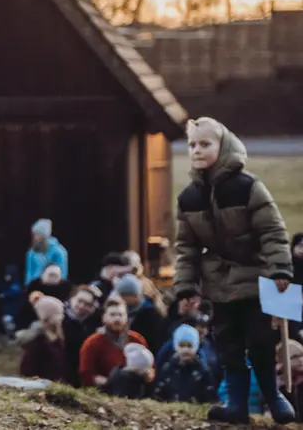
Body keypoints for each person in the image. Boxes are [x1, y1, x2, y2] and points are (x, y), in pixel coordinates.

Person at [173, 116, 296, 424]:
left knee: (259, 342)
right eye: (192, 145)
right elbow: (186, 248)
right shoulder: (189, 198)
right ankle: (236, 404)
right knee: (227, 344)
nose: (197, 150)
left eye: (205, 144)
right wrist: (186, 287)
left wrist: (280, 267)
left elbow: (272, 231)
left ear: (223, 145)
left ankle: (274, 395)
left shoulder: (247, 187)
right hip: (218, 282)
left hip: (255, 278)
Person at [78, 298, 149, 389]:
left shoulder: (137, 339)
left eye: (120, 315)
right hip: (104, 394)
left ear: (126, 317)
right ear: (104, 317)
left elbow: (150, 368)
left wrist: (147, 375)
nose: (117, 319)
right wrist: (112, 382)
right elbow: (86, 374)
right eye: (112, 315)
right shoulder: (92, 343)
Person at [153, 324, 217, 404]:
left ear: (196, 346)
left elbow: (210, 396)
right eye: (182, 346)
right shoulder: (168, 369)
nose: (186, 350)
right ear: (176, 347)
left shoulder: (203, 370)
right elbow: (159, 394)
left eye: (190, 346)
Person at [19, 295, 69, 383]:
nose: (61, 318)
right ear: (46, 318)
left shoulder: (65, 335)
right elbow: (27, 371)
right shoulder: (37, 342)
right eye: (57, 315)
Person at [113, 273, 165, 354]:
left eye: (124, 295)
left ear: (134, 295)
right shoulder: (121, 311)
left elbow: (155, 342)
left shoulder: (150, 315)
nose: (121, 298)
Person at [63, 285, 100, 387]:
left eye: (87, 304)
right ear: (72, 298)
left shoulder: (94, 322)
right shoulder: (59, 316)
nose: (82, 306)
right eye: (79, 301)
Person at [25, 218, 68, 285]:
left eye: (37, 234)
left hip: (52, 286)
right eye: (34, 234)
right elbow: (29, 272)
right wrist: (28, 287)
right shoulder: (32, 252)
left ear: (44, 235)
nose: (34, 237)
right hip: (35, 287)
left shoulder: (58, 251)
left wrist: (60, 288)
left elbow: (62, 272)